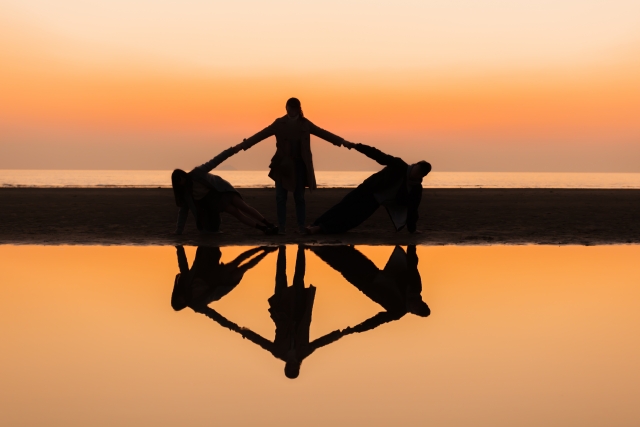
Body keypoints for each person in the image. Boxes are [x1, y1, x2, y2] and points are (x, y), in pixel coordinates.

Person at [239, 98, 355, 234]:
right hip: (282, 165)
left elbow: (322, 133)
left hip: (300, 165)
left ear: (299, 109)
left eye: (295, 108)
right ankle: (282, 227)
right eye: (290, 108)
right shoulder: (279, 123)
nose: (293, 111)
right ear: (286, 108)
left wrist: (342, 141)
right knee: (280, 197)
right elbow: (261, 135)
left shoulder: (305, 124)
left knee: (299, 197)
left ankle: (301, 227)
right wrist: (244, 145)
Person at [306, 143, 431, 234]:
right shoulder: (399, 165)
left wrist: (412, 229)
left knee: (353, 220)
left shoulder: (416, 189)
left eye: (420, 173)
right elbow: (378, 155)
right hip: (366, 189)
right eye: (417, 169)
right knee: (342, 207)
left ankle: (320, 228)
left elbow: (413, 209)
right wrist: (357, 146)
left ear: (422, 176)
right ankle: (314, 225)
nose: (416, 172)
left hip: (375, 201)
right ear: (415, 165)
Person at [308, 245, 430, 331]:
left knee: (341, 266)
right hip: (375, 274)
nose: (415, 306)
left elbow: (377, 320)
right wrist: (412, 244)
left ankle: (316, 248)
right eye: (419, 305)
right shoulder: (415, 287)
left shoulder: (398, 311)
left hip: (366, 285)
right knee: (353, 256)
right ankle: (326, 243)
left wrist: (358, 328)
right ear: (421, 302)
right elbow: (412, 266)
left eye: (416, 310)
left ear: (414, 313)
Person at [172, 145, 277, 235]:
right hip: (216, 201)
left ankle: (269, 224)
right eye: (177, 181)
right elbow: (183, 212)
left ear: (183, 174)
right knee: (237, 213)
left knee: (245, 207)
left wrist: (232, 150)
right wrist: (179, 230)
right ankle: (263, 229)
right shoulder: (186, 193)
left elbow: (215, 160)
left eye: (180, 177)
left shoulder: (197, 173)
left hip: (222, 190)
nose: (180, 181)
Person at [171, 245, 275, 311]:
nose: (182, 300)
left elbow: (183, 265)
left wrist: (179, 248)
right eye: (181, 303)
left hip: (216, 274)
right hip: (222, 284)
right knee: (245, 267)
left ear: (176, 296)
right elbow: (212, 314)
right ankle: (266, 252)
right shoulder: (196, 304)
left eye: (178, 299)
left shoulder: (183, 284)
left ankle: (261, 248)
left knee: (237, 261)